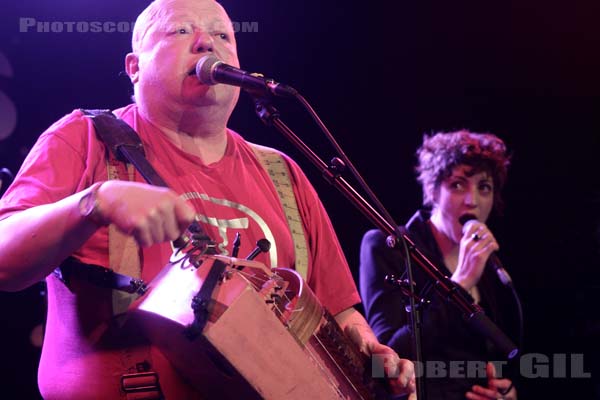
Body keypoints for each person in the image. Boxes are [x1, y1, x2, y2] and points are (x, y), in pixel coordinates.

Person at [0, 0, 415, 398]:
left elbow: (339, 315)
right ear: (134, 67)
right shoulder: (83, 139)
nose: (206, 42)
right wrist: (96, 201)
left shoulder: (283, 173)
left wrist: (372, 356)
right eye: (181, 30)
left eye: (222, 35)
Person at [360, 130, 518, 399]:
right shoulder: (389, 246)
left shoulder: (485, 260)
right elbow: (388, 354)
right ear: (432, 190)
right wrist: (460, 283)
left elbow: (491, 355)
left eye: (484, 187)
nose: (473, 200)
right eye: (457, 185)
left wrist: (506, 391)